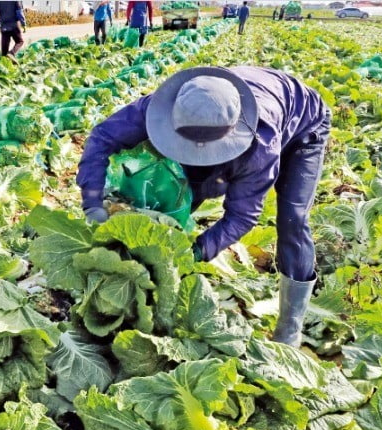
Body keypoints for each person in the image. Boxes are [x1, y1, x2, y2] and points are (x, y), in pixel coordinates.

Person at [77, 66, 331, 348]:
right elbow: (102, 138)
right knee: (179, 186)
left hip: (304, 126)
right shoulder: (162, 108)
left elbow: (242, 215)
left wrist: (196, 251)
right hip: (233, 105)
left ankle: (289, 330)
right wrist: (92, 200)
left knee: (293, 220)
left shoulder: (259, 145)